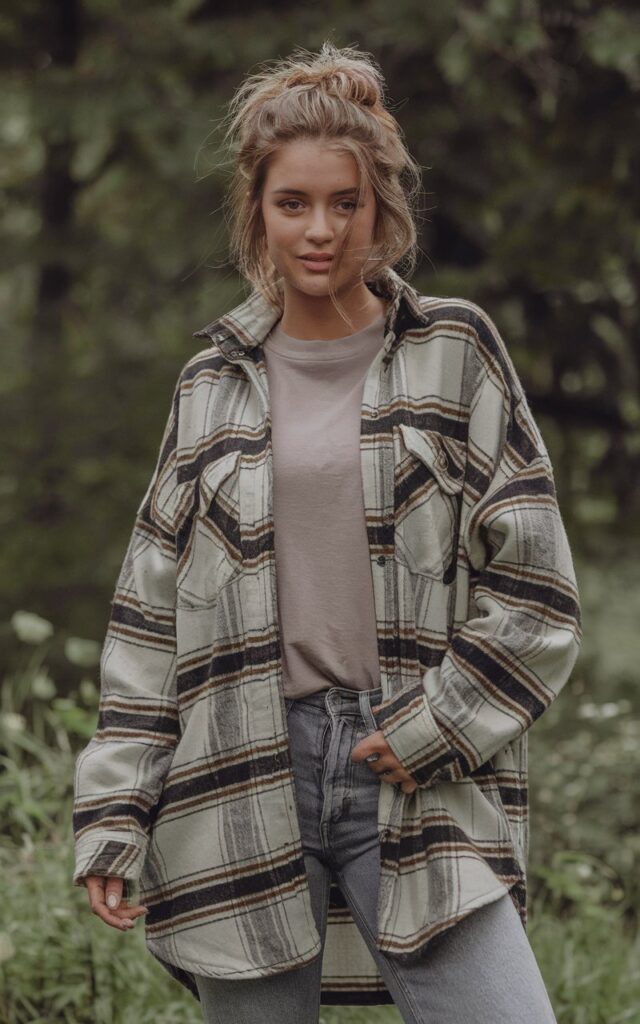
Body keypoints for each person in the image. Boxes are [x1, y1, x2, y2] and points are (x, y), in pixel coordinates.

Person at [72, 41, 582, 1024]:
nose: (320, 230)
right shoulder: (210, 385)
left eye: (346, 203)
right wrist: (114, 812)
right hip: (236, 771)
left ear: (380, 209)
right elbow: (147, 622)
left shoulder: (454, 351)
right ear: (255, 210)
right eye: (293, 203)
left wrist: (434, 725)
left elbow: (535, 590)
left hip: (409, 763)